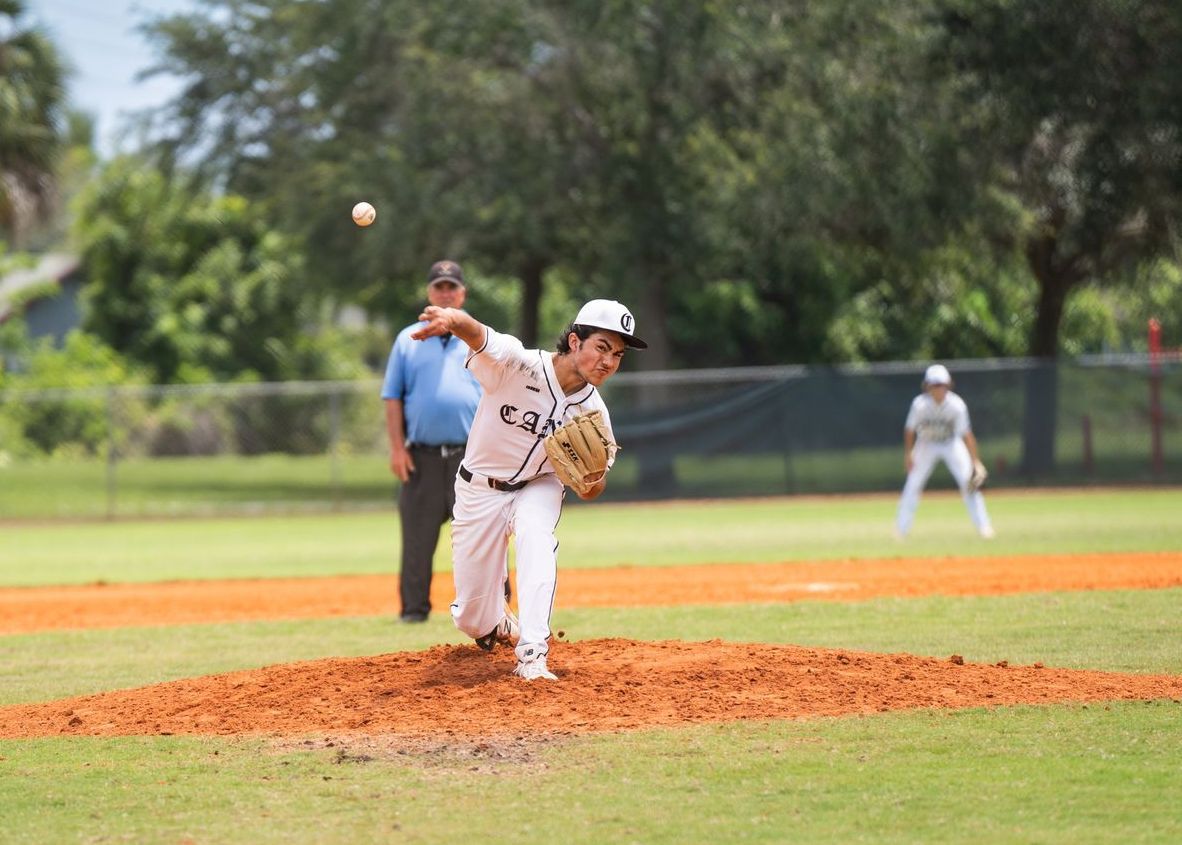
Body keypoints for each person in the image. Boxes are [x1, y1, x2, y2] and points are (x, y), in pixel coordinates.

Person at [410, 298, 646, 681]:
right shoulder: (519, 364)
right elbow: (482, 338)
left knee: (537, 539)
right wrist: (453, 318)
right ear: (574, 341)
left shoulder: (594, 415)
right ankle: (499, 624)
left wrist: (590, 476)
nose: (608, 361)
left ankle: (533, 655)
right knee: (471, 619)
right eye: (602, 347)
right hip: (479, 490)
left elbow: (593, 490)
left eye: (617, 355)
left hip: (539, 485)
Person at [381, 260, 482, 623]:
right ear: (429, 293)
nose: (445, 292)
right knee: (417, 540)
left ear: (462, 293)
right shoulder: (408, 339)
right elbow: (393, 396)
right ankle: (413, 612)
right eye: (439, 286)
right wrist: (396, 447)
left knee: (482, 538)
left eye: (451, 287)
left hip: (471, 458)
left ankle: (494, 610)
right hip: (420, 455)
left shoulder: (479, 340)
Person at [895, 364, 995, 539]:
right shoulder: (920, 405)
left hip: (951, 443)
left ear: (948, 385)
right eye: (934, 385)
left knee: (969, 484)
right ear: (927, 386)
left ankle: (984, 527)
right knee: (912, 484)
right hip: (926, 444)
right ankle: (901, 530)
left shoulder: (956, 405)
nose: (938, 388)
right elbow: (910, 430)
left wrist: (975, 461)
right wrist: (909, 453)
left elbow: (967, 434)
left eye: (941, 384)